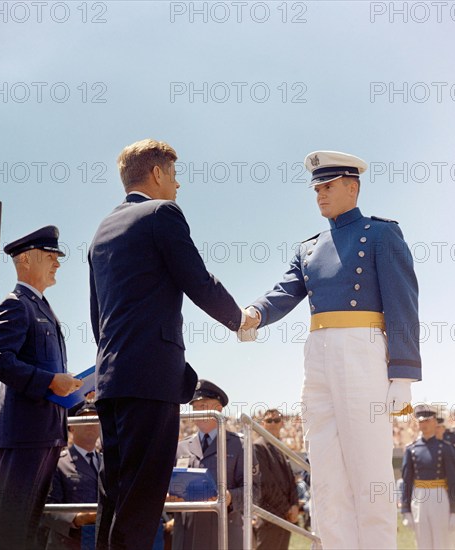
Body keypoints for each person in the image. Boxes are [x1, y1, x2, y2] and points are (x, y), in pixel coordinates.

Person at [241, 150, 421, 549]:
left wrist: (403, 374)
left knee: (369, 465)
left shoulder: (380, 234)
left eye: (328, 187)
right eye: (316, 189)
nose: (320, 195)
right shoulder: (309, 247)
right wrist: (255, 312)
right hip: (318, 352)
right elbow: (285, 291)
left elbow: (403, 303)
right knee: (324, 468)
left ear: (352, 187)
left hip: (363, 350)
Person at [88, 139, 258, 549]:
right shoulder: (162, 213)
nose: (178, 186)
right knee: (143, 500)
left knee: (115, 495)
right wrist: (240, 320)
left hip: (112, 379)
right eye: (175, 176)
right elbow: (197, 278)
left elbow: (98, 316)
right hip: (150, 380)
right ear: (158, 174)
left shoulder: (102, 230)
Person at [0, 226, 83, 549]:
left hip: (46, 434)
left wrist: (77, 393)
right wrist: (50, 381)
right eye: (50, 256)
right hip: (25, 436)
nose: (57, 263)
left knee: (27, 532)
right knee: (15, 532)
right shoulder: (16, 304)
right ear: (27, 260)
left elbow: (51, 376)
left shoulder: (44, 309)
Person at [171, 380, 249, 550]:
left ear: (218, 409)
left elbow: (254, 491)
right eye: (195, 408)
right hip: (187, 536)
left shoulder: (240, 445)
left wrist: (229, 497)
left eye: (203, 406)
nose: (198, 412)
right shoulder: (180, 447)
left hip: (224, 534)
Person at [400, 404, 455, 550]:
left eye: (427, 421)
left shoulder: (446, 448)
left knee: (441, 542)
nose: (424, 424)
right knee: (422, 542)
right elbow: (407, 481)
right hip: (419, 497)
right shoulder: (411, 449)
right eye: (421, 421)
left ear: (435, 422)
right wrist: (405, 509)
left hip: (439, 496)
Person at [42, 401, 101, 549]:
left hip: (101, 540)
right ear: (71, 426)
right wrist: (77, 518)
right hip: (69, 542)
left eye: (95, 419)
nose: (91, 424)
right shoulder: (57, 463)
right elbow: (48, 507)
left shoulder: (109, 464)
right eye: (85, 419)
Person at [253, 409, 299, 550]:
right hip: (270, 517)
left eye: (276, 420)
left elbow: (291, 480)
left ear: (282, 423)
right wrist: (287, 509)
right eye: (269, 420)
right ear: (262, 424)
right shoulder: (258, 447)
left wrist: (295, 505)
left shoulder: (281, 448)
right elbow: (265, 483)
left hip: (285, 518)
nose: (273, 423)